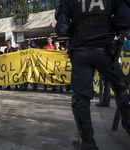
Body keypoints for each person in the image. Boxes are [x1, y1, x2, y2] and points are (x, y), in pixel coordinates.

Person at [55, 0, 130, 149]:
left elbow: (61, 30)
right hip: (106, 51)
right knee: (121, 88)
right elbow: (125, 20)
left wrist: (77, 33)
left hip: (80, 52)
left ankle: (88, 143)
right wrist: (110, 27)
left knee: (80, 98)